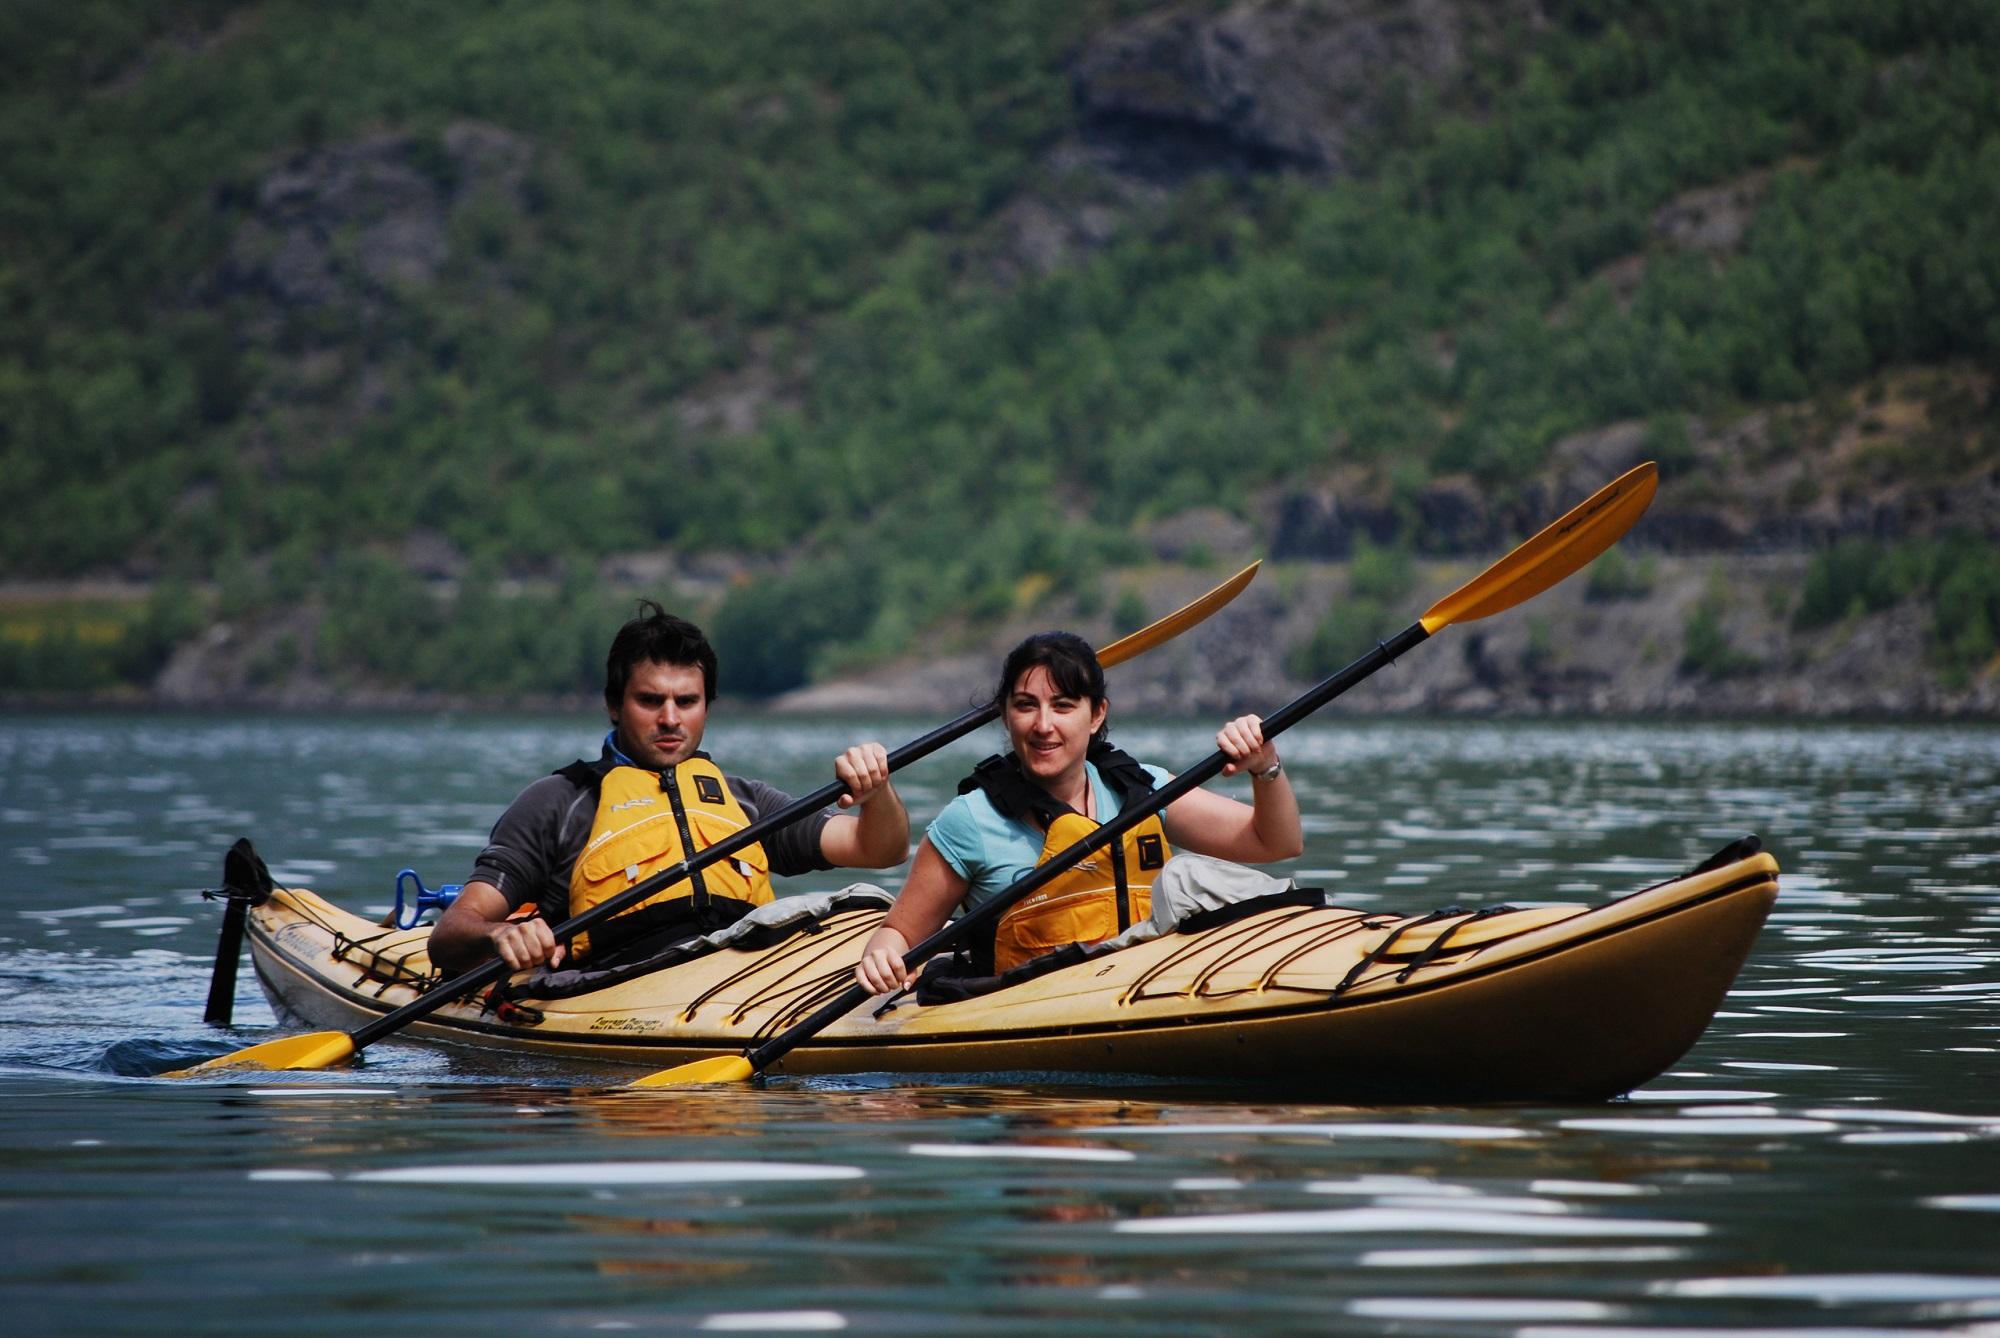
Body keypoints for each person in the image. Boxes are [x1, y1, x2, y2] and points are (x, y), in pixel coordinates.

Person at [429, 601, 909, 974]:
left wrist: (878, 793)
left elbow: (880, 849)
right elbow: (450, 935)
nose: (670, 718)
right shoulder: (557, 803)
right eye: (650, 700)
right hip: (616, 989)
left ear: (707, 706)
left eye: (687, 701)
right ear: (614, 705)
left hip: (747, 980)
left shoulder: (744, 800)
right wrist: (498, 936)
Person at [854, 630, 1301, 994]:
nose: (1043, 725)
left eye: (1063, 706)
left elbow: (1275, 842)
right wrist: (883, 955)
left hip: (1147, 993)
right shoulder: (969, 820)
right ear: (1006, 717)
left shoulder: (1142, 789)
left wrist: (1264, 766)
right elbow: (900, 937)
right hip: (1032, 1015)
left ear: (1095, 715)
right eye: (1026, 706)